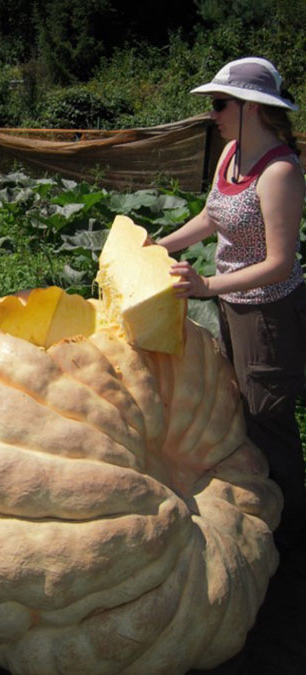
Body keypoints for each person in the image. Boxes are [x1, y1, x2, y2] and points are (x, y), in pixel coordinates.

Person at [158, 57, 306, 554]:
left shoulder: (280, 171)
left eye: (220, 104)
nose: (213, 114)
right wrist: (162, 246)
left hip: (265, 312)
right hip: (227, 299)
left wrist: (206, 287)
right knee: (239, 403)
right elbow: (210, 217)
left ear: (253, 108)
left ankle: (292, 529)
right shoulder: (230, 155)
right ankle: (263, 507)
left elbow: (280, 264)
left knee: (268, 416)